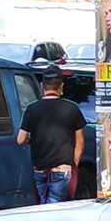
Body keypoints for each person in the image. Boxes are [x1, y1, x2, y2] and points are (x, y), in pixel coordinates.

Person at [17, 66, 86, 204]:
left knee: (44, 203)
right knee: (53, 205)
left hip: (40, 169)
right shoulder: (71, 108)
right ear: (61, 86)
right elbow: (80, 140)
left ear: (43, 86)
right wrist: (74, 162)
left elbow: (20, 139)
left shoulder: (31, 109)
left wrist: (32, 140)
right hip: (62, 168)